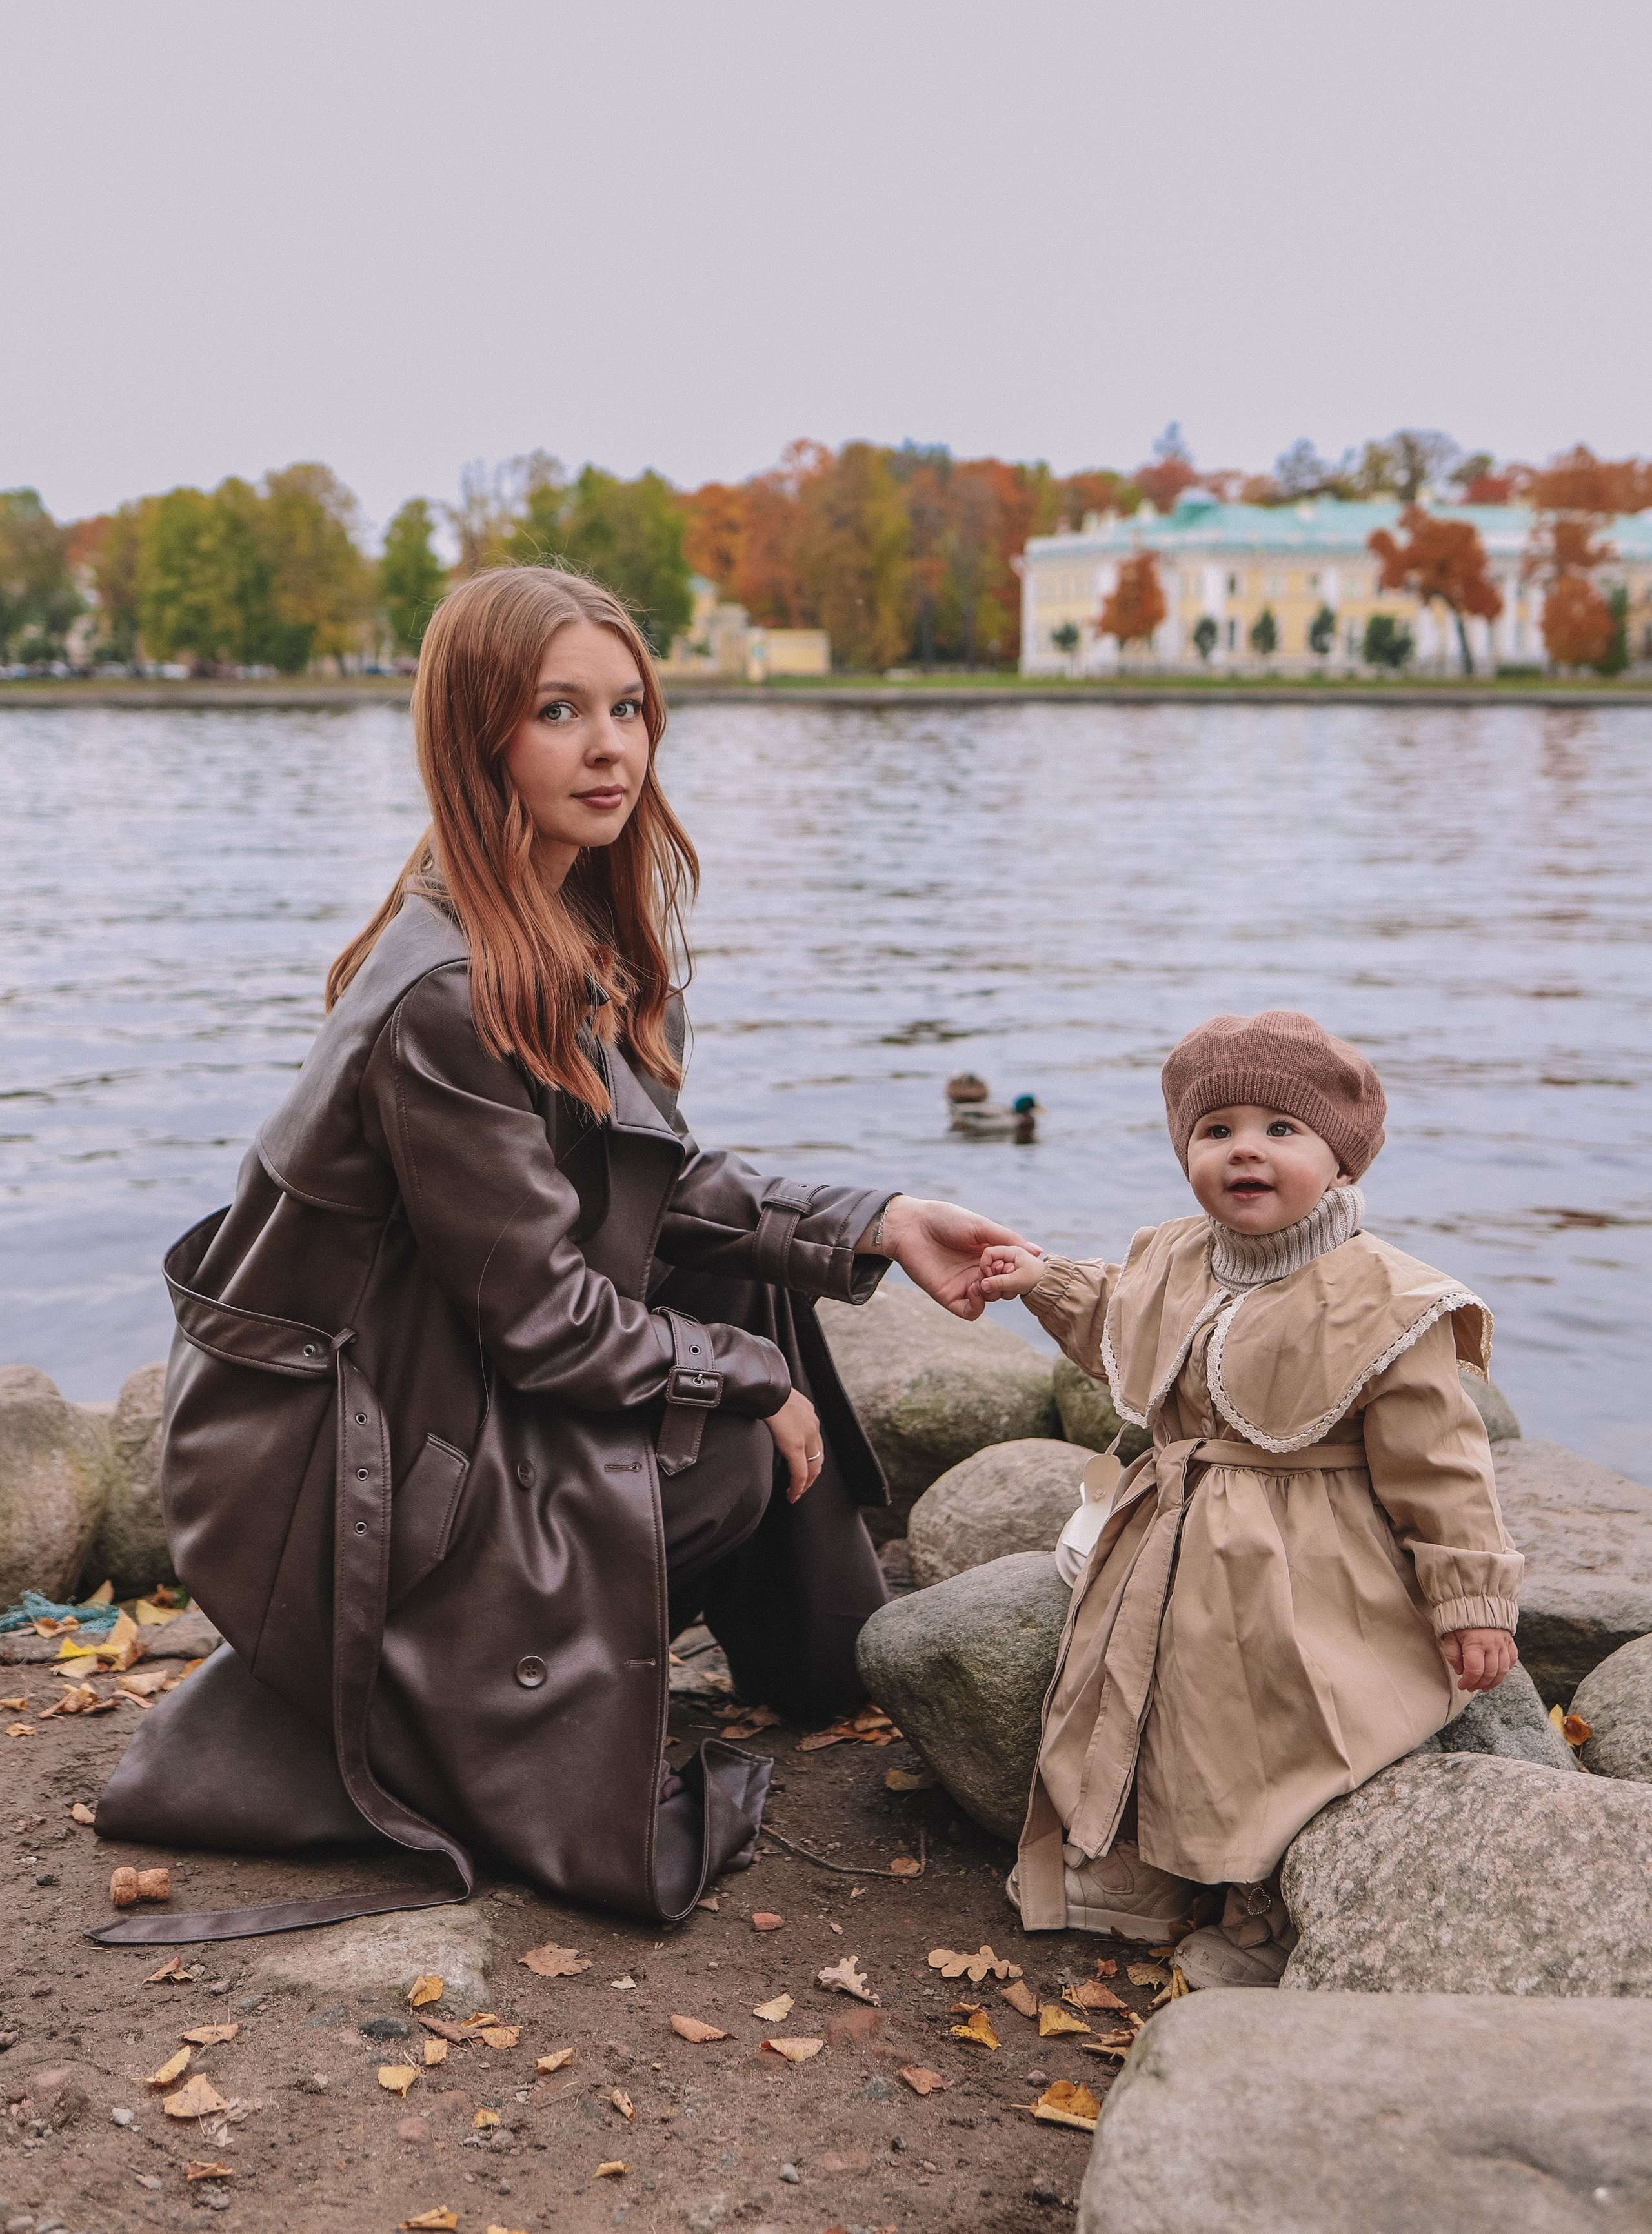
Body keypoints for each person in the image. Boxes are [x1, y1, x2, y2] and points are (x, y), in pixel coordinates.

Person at [91, 565, 1030, 1946]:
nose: (610, 747)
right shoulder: (447, 995)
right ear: (481, 739)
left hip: (427, 1394)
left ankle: (826, 1648)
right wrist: (751, 1386)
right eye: (557, 711)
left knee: (747, 1269)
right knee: (723, 1427)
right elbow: (545, 1322)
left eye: (629, 708)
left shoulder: (536, 925)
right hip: (338, 1475)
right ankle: (444, 1691)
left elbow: (657, 1186)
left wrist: (874, 1219)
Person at [974, 1009, 1523, 1989]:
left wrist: (1471, 1600)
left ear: (1342, 1160)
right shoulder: (1180, 1252)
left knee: (1271, 1717)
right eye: (1215, 1129)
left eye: (1282, 1129)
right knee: (1143, 1695)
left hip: (1309, 1559)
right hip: (1176, 1538)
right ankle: (1139, 1873)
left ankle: (1263, 1901)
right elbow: (1121, 1313)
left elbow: (1439, 1465)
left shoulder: (1382, 1298)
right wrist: (1043, 1280)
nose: (1245, 1151)